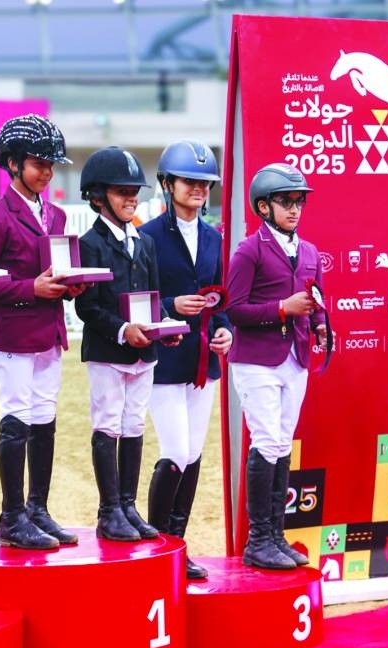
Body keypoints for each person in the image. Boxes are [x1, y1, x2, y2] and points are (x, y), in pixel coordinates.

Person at [0, 114, 83, 550]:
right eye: (39, 164)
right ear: (14, 164)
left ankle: (38, 508)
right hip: (14, 332)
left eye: (50, 165)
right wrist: (29, 288)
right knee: (15, 419)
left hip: (49, 329)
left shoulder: (55, 214)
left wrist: (73, 283)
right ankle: (11, 514)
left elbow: (58, 269)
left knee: (45, 420)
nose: (47, 173)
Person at [74, 146, 181, 542]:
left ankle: (128, 505)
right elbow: (87, 307)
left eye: (134, 191)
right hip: (108, 350)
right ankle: (108, 510)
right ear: (99, 196)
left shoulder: (145, 243)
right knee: (109, 423)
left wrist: (162, 327)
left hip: (143, 351)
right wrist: (122, 330)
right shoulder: (90, 243)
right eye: (122, 191)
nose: (131, 198)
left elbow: (153, 297)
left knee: (134, 423)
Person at [225, 162, 328, 571]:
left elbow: (317, 295)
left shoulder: (309, 251)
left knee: (283, 443)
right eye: (286, 202)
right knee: (266, 441)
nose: (295, 209)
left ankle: (277, 536)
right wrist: (283, 309)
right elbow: (234, 309)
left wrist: (319, 324)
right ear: (263, 207)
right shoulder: (249, 250)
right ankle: (257, 540)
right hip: (256, 360)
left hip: (296, 357)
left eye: (298, 202)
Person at [142, 140, 231, 579]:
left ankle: (177, 546)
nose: (198, 189)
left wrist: (225, 329)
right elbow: (139, 299)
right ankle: (157, 546)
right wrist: (170, 307)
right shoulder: (148, 237)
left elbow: (221, 295)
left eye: (204, 183)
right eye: (190, 182)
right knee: (176, 449)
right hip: (165, 359)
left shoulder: (214, 237)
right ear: (167, 184)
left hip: (204, 361)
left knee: (194, 453)